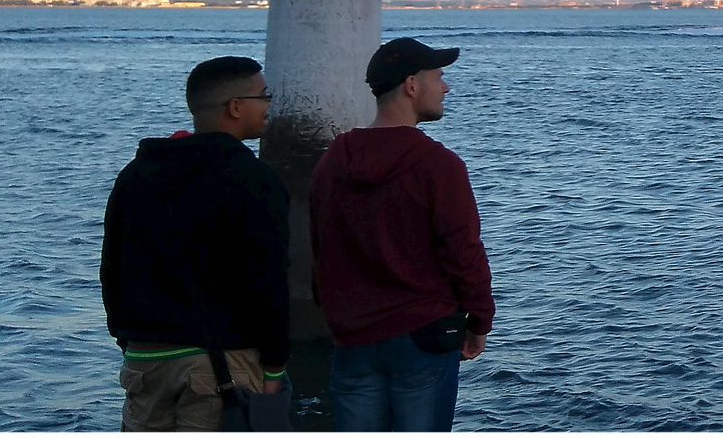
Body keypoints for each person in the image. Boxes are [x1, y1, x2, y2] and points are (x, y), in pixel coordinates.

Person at [310, 37, 495, 432]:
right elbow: (463, 252)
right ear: (412, 85)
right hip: (421, 336)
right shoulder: (438, 165)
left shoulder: (333, 160)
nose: (446, 87)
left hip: (353, 337)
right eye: (439, 77)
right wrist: (479, 321)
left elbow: (320, 247)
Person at [102, 55, 290, 431]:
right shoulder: (254, 179)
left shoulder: (136, 174)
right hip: (221, 363)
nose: (270, 104)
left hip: (145, 360)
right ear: (235, 107)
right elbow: (267, 279)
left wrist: (129, 340)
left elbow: (112, 270)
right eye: (264, 95)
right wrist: (274, 366)